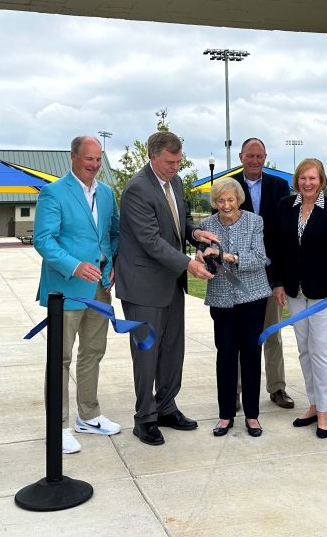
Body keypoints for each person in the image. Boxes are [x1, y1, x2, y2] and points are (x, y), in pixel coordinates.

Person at [115, 131, 218, 446]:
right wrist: (189, 264)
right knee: (147, 356)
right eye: (170, 162)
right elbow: (150, 241)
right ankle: (144, 418)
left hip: (170, 283)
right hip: (143, 286)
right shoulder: (136, 189)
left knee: (173, 350)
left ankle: (166, 407)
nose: (176, 168)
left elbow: (180, 222)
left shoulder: (173, 182)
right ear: (153, 157)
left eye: (179, 162)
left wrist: (197, 232)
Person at [34, 135, 121, 455]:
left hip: (100, 288)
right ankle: (57, 427)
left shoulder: (108, 193)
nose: (95, 165)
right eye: (89, 159)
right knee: (61, 358)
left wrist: (111, 264)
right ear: (73, 157)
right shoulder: (53, 193)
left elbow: (113, 234)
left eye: (99, 159)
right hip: (66, 290)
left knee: (93, 353)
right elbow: (44, 240)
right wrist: (74, 266)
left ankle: (89, 415)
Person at [269, 158, 327, 439]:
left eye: (312, 179)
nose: (307, 183)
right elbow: (275, 246)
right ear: (297, 180)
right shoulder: (285, 206)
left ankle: (324, 411)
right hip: (294, 291)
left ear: (321, 181)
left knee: (320, 349)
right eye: (302, 178)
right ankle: (313, 403)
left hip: (325, 292)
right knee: (305, 349)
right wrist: (277, 283)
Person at [197, 178, 272, 437]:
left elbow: (261, 259)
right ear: (214, 202)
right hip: (221, 299)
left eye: (230, 200)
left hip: (252, 297)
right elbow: (205, 265)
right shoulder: (206, 226)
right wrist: (202, 261)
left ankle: (252, 415)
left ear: (238, 199)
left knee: (251, 354)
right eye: (220, 200)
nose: (226, 205)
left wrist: (228, 257)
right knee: (225, 354)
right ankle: (225, 415)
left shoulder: (254, 221)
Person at [231, 137, 294, 409]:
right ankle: (234, 389)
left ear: (265, 157)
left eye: (259, 156)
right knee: (238, 335)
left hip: (269, 271)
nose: (255, 161)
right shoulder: (229, 185)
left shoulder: (279, 186)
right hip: (239, 270)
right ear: (241, 157)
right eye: (250, 156)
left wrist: (280, 275)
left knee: (271, 332)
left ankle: (277, 388)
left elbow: (283, 234)